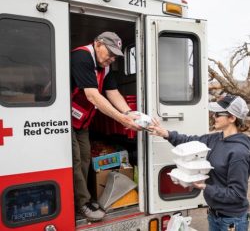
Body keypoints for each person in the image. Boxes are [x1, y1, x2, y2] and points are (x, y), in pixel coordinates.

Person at [148, 95, 250, 231]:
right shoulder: (215, 138)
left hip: (232, 221)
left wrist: (204, 187)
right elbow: (189, 141)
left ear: (232, 118)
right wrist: (165, 133)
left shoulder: (239, 152)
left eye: (218, 114)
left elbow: (237, 194)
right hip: (214, 215)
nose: (214, 116)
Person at [71, 31, 141, 221]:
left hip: (82, 122)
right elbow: (92, 95)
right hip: (65, 120)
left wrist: (128, 113)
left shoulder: (106, 67)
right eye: (109, 53)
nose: (111, 59)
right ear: (97, 44)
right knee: (75, 161)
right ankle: (82, 204)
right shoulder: (82, 56)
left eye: (114, 56)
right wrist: (121, 119)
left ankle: (81, 198)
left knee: (85, 158)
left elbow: (113, 93)